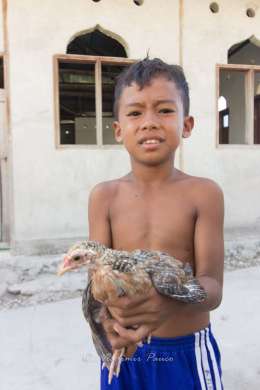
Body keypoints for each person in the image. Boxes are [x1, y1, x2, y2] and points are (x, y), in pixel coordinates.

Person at [88, 58, 224, 389]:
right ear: (118, 129)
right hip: (125, 355)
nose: (149, 122)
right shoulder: (104, 197)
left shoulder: (203, 194)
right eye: (135, 113)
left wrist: (173, 300)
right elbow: (97, 285)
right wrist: (103, 326)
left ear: (187, 124)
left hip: (187, 352)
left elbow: (213, 286)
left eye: (164, 110)